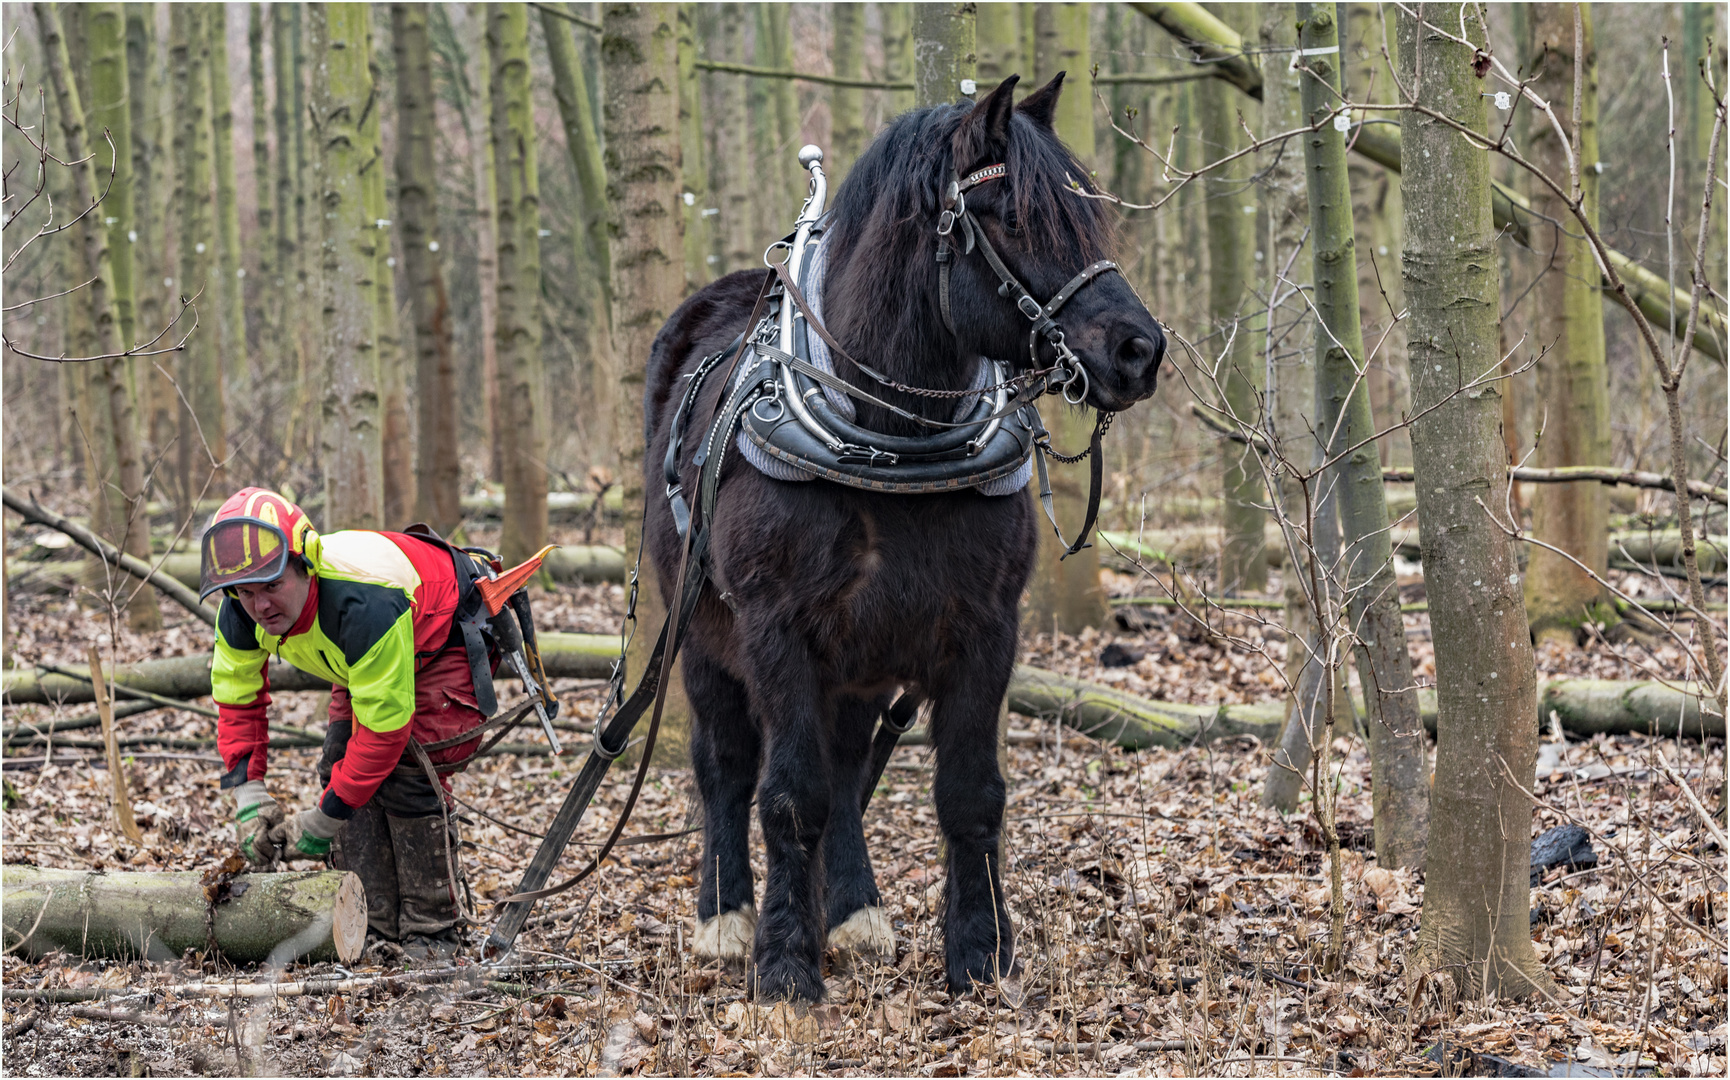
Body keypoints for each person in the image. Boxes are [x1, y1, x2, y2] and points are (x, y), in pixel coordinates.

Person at [201, 487, 494, 957]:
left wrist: (322, 819)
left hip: (442, 636)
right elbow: (237, 697)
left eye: (272, 586)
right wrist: (247, 790)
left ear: (305, 566)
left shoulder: (363, 603)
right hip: (358, 658)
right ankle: (372, 923)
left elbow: (385, 732)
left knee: (408, 775)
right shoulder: (239, 609)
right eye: (246, 592)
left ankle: (432, 932)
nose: (259, 606)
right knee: (337, 763)